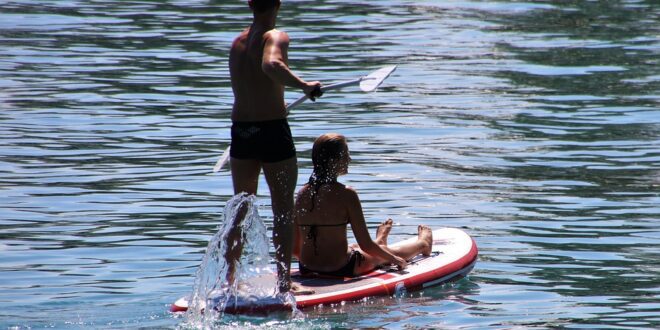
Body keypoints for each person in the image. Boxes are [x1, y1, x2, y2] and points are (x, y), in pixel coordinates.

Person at [224, 0, 322, 295]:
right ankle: (283, 283)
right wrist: (304, 85)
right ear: (277, 3)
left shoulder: (237, 43)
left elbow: (252, 86)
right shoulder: (275, 36)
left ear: (250, 4)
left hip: (242, 132)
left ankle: (229, 282)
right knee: (282, 208)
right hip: (271, 132)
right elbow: (271, 65)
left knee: (240, 208)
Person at [293, 133, 433, 278]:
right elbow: (366, 245)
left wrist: (316, 261)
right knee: (384, 253)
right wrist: (394, 259)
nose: (350, 159)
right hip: (342, 268)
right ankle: (423, 244)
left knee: (354, 247)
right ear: (334, 161)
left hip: (306, 267)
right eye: (346, 154)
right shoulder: (347, 194)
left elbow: (294, 248)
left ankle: (379, 241)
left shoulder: (301, 194)